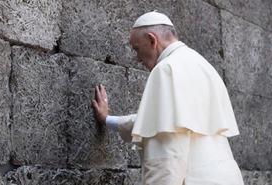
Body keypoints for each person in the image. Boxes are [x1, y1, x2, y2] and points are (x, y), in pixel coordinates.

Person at [92, 11, 244, 185]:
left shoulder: (166, 69)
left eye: (137, 49)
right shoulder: (202, 65)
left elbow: (166, 155)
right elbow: (160, 123)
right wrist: (107, 119)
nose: (137, 58)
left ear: (152, 40)